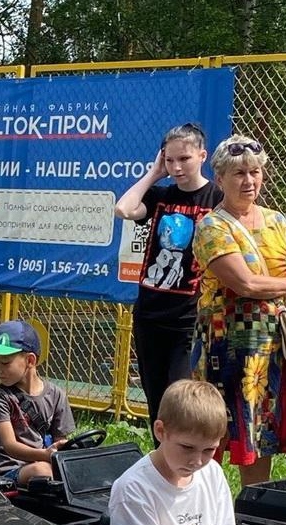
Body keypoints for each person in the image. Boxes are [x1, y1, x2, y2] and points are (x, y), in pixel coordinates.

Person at [191, 135, 286, 486]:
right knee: (216, 431)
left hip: (270, 351)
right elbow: (246, 284)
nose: (249, 181)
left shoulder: (277, 221)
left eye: (255, 172)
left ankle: (253, 511)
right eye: (238, 173)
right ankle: (205, 504)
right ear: (220, 179)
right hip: (225, 350)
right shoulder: (212, 226)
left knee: (261, 434)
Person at [114, 122, 223, 425]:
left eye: (184, 159)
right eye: (170, 160)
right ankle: (161, 463)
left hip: (189, 319)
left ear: (203, 155)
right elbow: (123, 209)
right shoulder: (160, 196)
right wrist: (153, 174)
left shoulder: (217, 199)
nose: (177, 167)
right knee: (157, 401)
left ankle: (186, 464)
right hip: (150, 314)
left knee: (182, 399)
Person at [108, 379, 241, 525]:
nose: (197, 461)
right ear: (160, 431)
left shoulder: (213, 474)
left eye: (209, 450)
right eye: (187, 447)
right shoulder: (134, 489)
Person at [0, 320, 75, 486]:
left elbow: (60, 441)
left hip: (44, 461)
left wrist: (62, 449)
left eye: (5, 362)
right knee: (42, 471)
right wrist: (45, 455)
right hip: (8, 472)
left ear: (30, 361)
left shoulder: (56, 394)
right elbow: (10, 446)